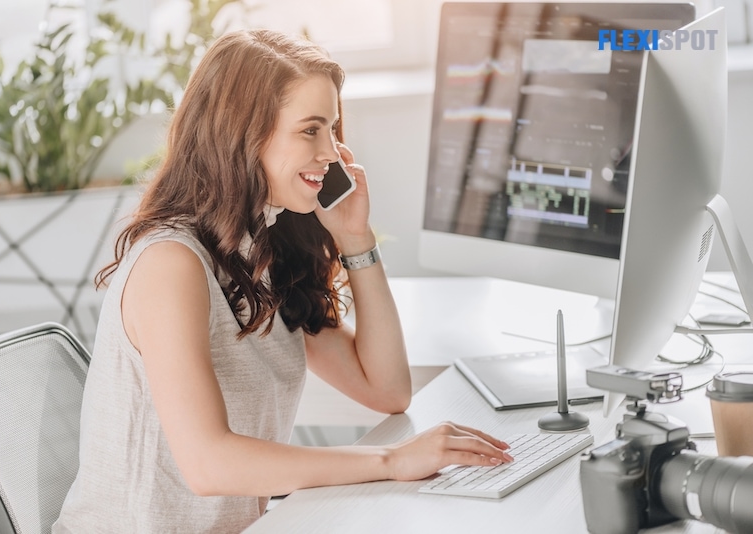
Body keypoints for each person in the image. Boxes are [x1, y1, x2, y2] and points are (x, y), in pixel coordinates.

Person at [53, 29, 512, 534]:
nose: (333, 153)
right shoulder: (171, 264)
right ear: (244, 136)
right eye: (310, 130)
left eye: (334, 130)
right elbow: (210, 465)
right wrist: (391, 460)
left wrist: (356, 240)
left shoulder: (265, 249)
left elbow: (387, 390)